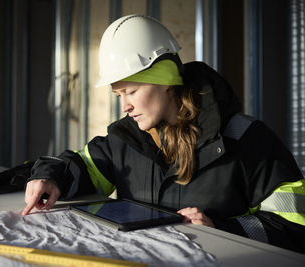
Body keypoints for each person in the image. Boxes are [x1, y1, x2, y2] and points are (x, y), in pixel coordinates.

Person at [23, 14, 305, 253]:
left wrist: (222, 229)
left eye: (132, 91)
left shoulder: (247, 139)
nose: (126, 105)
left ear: (166, 80)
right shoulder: (127, 139)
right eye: (119, 94)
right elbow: (83, 166)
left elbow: (295, 225)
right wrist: (50, 176)